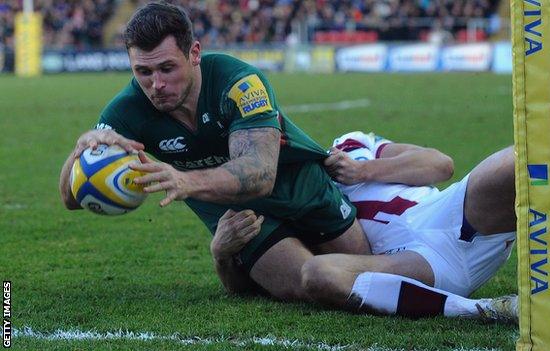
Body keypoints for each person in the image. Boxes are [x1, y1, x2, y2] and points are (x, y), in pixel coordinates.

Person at [58, 2, 371, 301]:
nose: (156, 85)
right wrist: (80, 153)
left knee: (367, 272)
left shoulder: (239, 82)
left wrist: (185, 181)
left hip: (299, 186)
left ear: (194, 53)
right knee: (309, 284)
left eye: (167, 68)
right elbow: (71, 199)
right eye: (143, 71)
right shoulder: (126, 110)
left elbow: (259, 174)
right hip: (235, 213)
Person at [212, 131, 550, 322]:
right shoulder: (274, 202)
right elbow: (260, 279)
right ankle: (487, 311)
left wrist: (364, 169)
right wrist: (222, 253)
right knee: (318, 273)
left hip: (447, 213)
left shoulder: (349, 144)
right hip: (409, 265)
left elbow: (440, 164)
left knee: (536, 158)